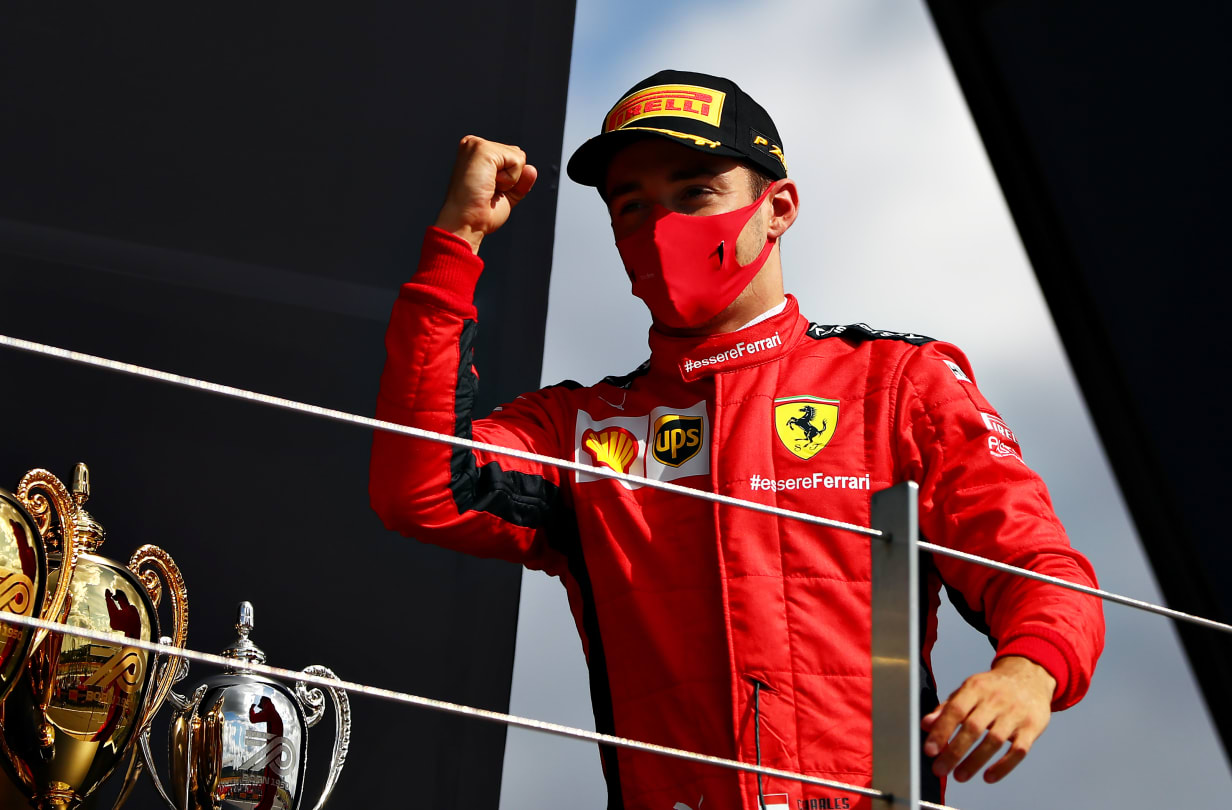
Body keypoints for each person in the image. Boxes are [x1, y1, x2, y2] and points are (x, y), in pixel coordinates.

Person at [369, 70, 1104, 810]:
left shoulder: (897, 383)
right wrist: (457, 241)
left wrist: (1028, 670)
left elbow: (1039, 565)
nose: (661, 227)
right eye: (632, 208)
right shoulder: (579, 428)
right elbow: (422, 487)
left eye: (694, 193)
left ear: (777, 207)